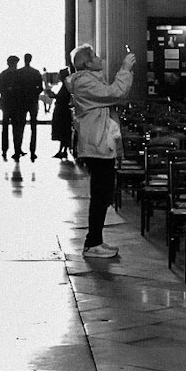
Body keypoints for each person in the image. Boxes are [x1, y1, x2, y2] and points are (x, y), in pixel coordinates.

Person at [69, 42, 136, 259]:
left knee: (104, 193)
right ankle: (92, 243)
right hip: (96, 144)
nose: (101, 59)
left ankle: (96, 240)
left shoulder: (90, 79)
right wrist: (125, 69)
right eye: (96, 56)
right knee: (100, 194)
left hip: (100, 142)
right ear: (88, 63)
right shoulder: (85, 82)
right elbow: (115, 92)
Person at [0, 55, 27, 163]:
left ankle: (5, 150)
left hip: (6, 104)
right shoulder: (19, 75)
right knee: (16, 128)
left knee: (6, 129)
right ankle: (17, 150)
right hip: (16, 104)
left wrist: (7, 90)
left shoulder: (3, 74)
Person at [17, 52, 45, 162]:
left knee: (20, 126)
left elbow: (16, 87)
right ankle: (32, 151)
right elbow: (40, 88)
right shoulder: (36, 72)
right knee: (33, 127)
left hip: (22, 101)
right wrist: (34, 93)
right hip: (33, 101)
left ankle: (18, 149)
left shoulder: (19, 72)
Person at [50, 72, 73, 161]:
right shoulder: (66, 86)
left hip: (62, 111)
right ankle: (63, 150)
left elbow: (63, 98)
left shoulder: (65, 87)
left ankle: (62, 150)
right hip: (64, 111)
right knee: (64, 131)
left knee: (63, 131)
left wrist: (55, 96)